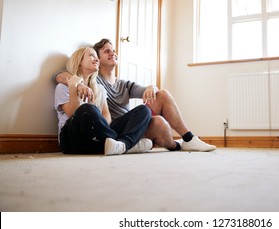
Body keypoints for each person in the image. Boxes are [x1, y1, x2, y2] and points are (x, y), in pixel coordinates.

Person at [55, 39, 216, 152]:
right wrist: (76, 83)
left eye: (114, 51)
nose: (112, 53)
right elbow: (60, 76)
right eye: (106, 52)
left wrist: (151, 87)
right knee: (90, 110)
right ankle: (133, 144)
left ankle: (187, 138)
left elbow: (107, 114)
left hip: (125, 126)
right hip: (103, 130)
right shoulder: (95, 81)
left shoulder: (115, 85)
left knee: (157, 100)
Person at [54, 46, 153, 156]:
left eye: (97, 57)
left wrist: (99, 128)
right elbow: (73, 114)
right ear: (79, 61)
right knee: (88, 109)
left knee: (144, 110)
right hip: (72, 141)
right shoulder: (62, 87)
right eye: (91, 55)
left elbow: (107, 115)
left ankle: (123, 144)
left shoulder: (99, 88)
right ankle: (129, 144)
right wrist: (74, 87)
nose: (97, 59)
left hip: (98, 139)